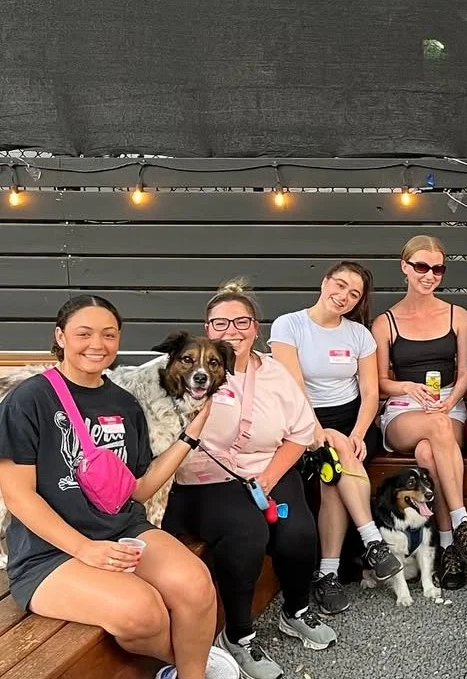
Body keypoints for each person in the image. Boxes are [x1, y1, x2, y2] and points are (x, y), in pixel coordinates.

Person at [0, 296, 238, 679]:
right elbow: (17, 495)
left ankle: (192, 674)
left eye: (109, 334)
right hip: (49, 552)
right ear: (60, 336)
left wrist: (189, 437)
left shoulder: (123, 403)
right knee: (143, 612)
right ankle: (193, 666)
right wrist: (85, 549)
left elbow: (138, 490)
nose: (97, 344)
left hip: (121, 529)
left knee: (196, 584)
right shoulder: (29, 399)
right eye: (84, 333)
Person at [165, 280, 336, 679]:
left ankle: (295, 611)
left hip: (268, 466)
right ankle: (238, 635)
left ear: (256, 328)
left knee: (298, 533)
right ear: (207, 328)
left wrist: (269, 479)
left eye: (242, 321)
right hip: (205, 478)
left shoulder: (275, 372)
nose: (233, 330)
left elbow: (300, 433)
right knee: (247, 532)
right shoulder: (186, 372)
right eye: (221, 322)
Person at [268, 261, 401, 615]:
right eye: (339, 286)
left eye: (353, 294)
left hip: (354, 420)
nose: (343, 296)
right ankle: (372, 541)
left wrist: (357, 433)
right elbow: (295, 388)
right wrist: (317, 430)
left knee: (334, 471)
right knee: (334, 459)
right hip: (302, 420)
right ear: (325, 282)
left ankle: (327, 575)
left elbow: (371, 393)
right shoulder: (289, 325)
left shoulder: (359, 335)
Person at [370, 235, 467, 590]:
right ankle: (461, 519)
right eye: (421, 266)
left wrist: (452, 402)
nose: (430, 274)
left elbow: (465, 371)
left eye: (438, 268)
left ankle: (448, 546)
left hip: (447, 403)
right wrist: (407, 387)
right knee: (434, 430)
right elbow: (379, 381)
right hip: (404, 408)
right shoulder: (385, 322)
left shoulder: (457, 315)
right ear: (405, 267)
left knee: (427, 452)